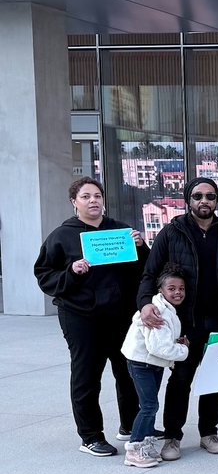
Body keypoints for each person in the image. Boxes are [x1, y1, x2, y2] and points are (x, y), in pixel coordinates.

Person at [137, 177, 218, 461]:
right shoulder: (171, 232)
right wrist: (144, 305)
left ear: (216, 200)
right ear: (189, 199)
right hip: (182, 322)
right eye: (198, 196)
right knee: (180, 381)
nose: (204, 201)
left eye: (210, 196)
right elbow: (150, 274)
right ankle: (172, 437)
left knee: (213, 381)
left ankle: (208, 433)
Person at [34, 177, 147, 457]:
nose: (93, 201)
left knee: (128, 373)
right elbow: (44, 275)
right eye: (85, 197)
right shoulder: (61, 236)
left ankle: (131, 425)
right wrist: (71, 272)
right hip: (82, 317)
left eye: (97, 195)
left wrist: (142, 247)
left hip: (121, 316)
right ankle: (91, 436)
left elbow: (144, 271)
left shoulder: (120, 230)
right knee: (87, 377)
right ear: (74, 202)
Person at [120, 263, 190, 468]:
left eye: (181, 288)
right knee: (149, 405)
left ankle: (147, 442)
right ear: (160, 290)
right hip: (142, 363)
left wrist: (173, 343)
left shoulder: (166, 308)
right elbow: (160, 348)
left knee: (150, 404)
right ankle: (134, 447)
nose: (177, 292)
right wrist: (184, 350)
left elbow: (163, 343)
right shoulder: (157, 311)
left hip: (152, 363)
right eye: (172, 289)